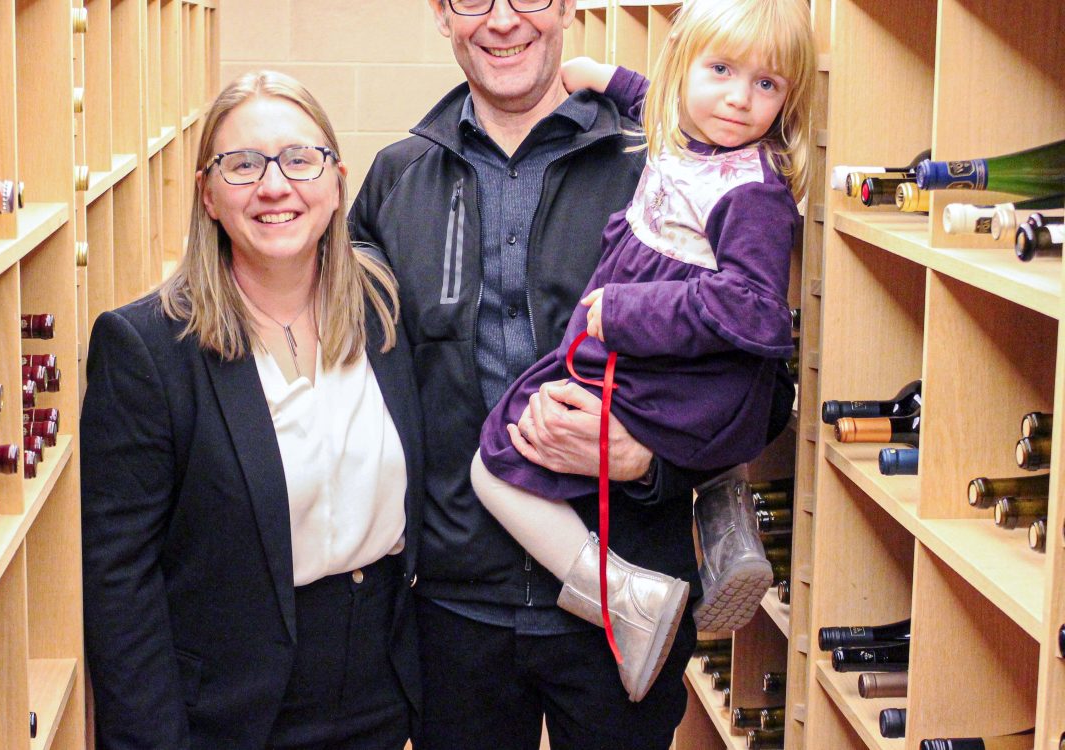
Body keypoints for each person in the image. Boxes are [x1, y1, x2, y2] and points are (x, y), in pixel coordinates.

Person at [350, 0, 797, 747]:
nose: (502, 20)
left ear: (564, 6)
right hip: (453, 616)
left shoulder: (666, 163)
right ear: (440, 13)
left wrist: (649, 461)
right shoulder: (395, 182)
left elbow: (765, 393)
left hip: (629, 608)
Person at [471, 0, 816, 702]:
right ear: (684, 68)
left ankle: (623, 596)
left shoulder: (752, 194)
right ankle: (722, 515)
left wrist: (632, 309)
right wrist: (599, 75)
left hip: (678, 371)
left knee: (493, 465)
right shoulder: (684, 132)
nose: (737, 99)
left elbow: (756, 311)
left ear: (788, 99)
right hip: (669, 368)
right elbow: (653, 94)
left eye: (766, 85)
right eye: (720, 70)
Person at [81, 70, 423, 750]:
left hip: (381, 696)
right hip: (232, 713)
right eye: (242, 165)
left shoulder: (385, 308)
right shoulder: (147, 347)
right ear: (207, 193)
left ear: (335, 182)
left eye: (300, 159)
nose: (275, 185)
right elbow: (121, 584)